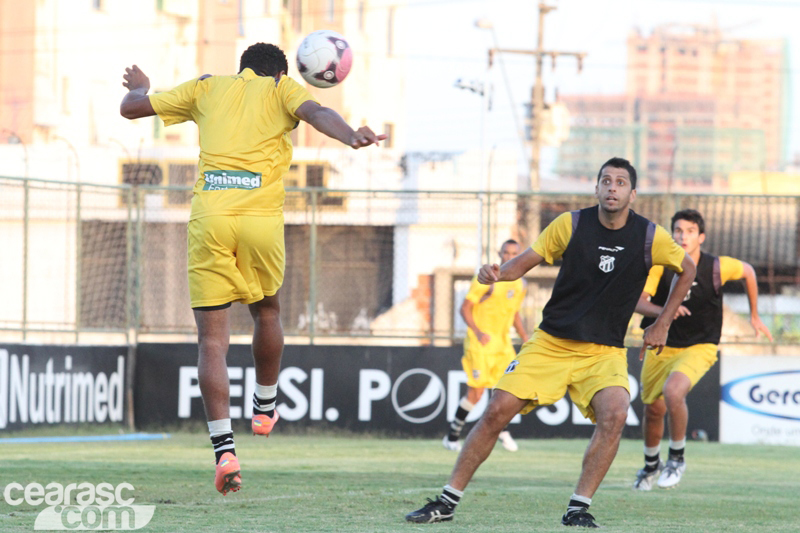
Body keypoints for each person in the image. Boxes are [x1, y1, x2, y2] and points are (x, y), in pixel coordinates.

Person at [119, 43, 386, 496]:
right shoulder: (282, 90)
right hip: (260, 221)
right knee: (267, 314)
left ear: (240, 67)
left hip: (211, 220)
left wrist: (142, 86)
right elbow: (318, 113)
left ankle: (224, 451)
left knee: (212, 341)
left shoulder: (207, 87)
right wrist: (350, 137)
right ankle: (264, 407)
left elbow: (132, 109)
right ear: (283, 72)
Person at [405, 157, 696, 528]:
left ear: (632, 194)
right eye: (605, 180)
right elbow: (523, 263)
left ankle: (578, 507)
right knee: (497, 410)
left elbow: (686, 268)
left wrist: (663, 322)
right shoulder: (571, 224)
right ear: (596, 188)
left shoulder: (649, 236)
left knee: (616, 412)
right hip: (552, 343)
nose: (612, 187)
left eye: (621, 183)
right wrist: (497, 274)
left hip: (604, 352)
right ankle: (446, 502)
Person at [632, 209, 773, 491]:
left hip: (700, 345)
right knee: (653, 409)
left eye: (690, 231)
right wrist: (666, 311)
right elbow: (637, 302)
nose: (683, 236)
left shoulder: (716, 267)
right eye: (678, 230)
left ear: (701, 237)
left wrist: (754, 314)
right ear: (671, 234)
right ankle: (650, 465)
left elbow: (748, 271)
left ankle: (676, 459)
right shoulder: (660, 266)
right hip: (661, 345)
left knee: (673, 392)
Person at [444, 239, 528, 453]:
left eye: (514, 253)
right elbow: (464, 309)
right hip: (480, 344)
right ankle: (452, 435)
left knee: (508, 390)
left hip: (503, 345)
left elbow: (514, 313)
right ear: (499, 253)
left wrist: (526, 338)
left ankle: (503, 429)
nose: (509, 257)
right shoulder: (487, 279)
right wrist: (479, 332)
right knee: (477, 393)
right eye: (506, 253)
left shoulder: (520, 283)